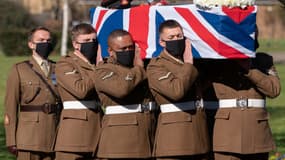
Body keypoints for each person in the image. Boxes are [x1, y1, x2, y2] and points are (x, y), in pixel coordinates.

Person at [147, 20, 210, 159]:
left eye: (179, 36)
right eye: (171, 38)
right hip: (175, 140)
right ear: (162, 42)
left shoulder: (193, 61)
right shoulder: (156, 66)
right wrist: (188, 64)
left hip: (199, 137)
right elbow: (176, 91)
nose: (176, 40)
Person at [94, 29, 156, 159]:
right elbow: (122, 89)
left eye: (131, 47)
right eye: (122, 49)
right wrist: (138, 68)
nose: (128, 51)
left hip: (147, 133)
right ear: (111, 51)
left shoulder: (143, 67)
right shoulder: (103, 70)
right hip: (121, 140)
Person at [4, 26, 61, 160]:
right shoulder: (19, 69)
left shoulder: (59, 69)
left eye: (48, 41)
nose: (46, 44)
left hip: (55, 136)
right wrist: (11, 140)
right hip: (28, 138)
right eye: (41, 40)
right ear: (31, 44)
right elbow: (10, 108)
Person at [211, 52, 281, 160]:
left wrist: (250, 69)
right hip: (227, 134)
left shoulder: (263, 60)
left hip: (257, 133)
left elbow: (274, 90)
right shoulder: (215, 58)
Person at [54, 23, 102, 160]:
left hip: (98, 129)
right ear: (75, 44)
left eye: (94, 40)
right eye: (86, 41)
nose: (91, 44)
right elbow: (81, 90)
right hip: (74, 135)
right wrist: (99, 68)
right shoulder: (65, 64)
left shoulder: (95, 64)